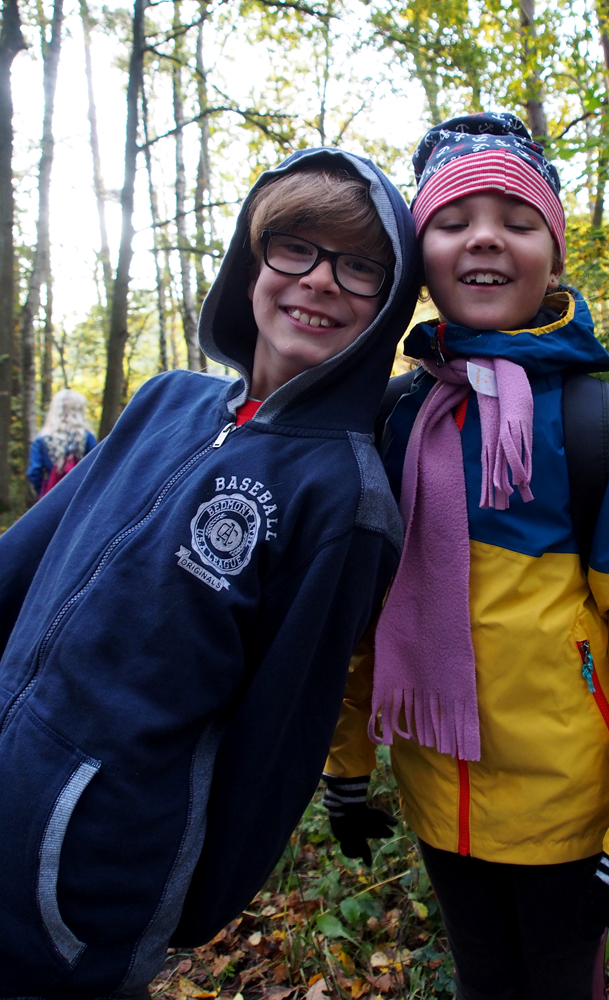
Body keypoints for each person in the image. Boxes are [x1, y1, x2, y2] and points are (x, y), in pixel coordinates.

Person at [0, 148, 418, 998]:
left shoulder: (343, 497)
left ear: (390, 302)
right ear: (251, 260)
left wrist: (189, 903)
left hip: (84, 878)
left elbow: (281, 737)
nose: (320, 281)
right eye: (293, 247)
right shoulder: (165, 401)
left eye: (361, 266)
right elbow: (25, 558)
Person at [322, 113, 609, 1000]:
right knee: (484, 979)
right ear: (421, 256)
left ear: (552, 253)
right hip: (436, 802)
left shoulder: (600, 426)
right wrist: (345, 763)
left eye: (518, 220)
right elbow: (361, 612)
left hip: (570, 815)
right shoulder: (392, 420)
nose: (485, 237)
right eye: (453, 221)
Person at [26, 388, 97, 496]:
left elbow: (34, 472)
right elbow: (95, 469)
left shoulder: (42, 440)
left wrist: (42, 493)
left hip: (52, 497)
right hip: (80, 497)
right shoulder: (87, 437)